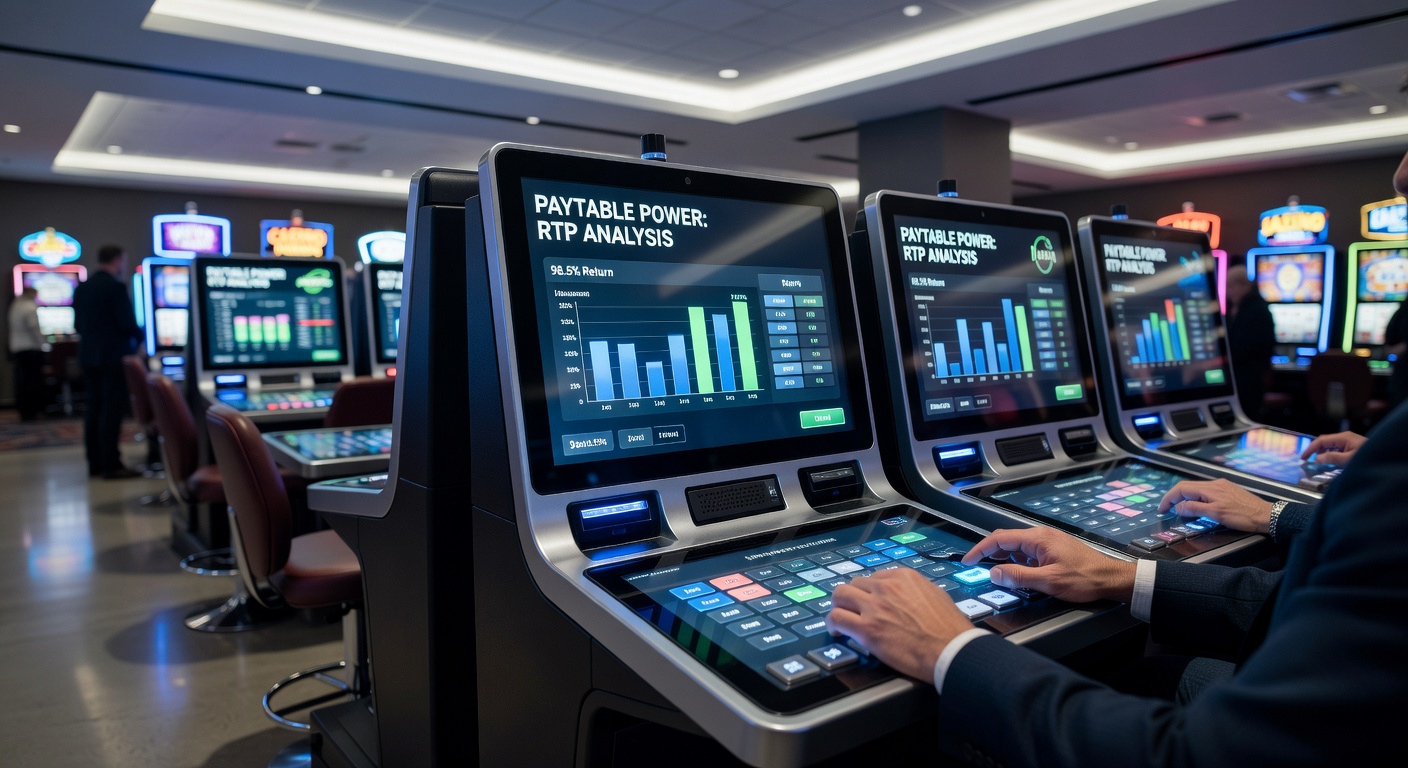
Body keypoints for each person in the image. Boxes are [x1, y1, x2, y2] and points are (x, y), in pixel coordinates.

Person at [72, 244, 143, 478]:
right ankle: (111, 465)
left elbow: (77, 325)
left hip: (88, 356)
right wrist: (143, 338)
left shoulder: (82, 288)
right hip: (112, 357)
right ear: (118, 260)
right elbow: (127, 324)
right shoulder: (115, 287)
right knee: (111, 411)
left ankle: (95, 464)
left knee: (93, 409)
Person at [1223, 263, 1275, 417]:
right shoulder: (1236, 308)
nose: (1228, 292)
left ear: (1244, 286)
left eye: (1231, 286)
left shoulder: (1256, 309)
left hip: (1250, 379)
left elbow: (1247, 346)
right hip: (1238, 377)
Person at [8, 286, 48, 421]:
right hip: (31, 348)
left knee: (22, 381)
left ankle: (24, 411)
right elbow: (34, 328)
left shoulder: (15, 305)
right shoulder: (30, 307)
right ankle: (33, 411)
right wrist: (44, 343)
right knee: (33, 381)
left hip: (17, 348)